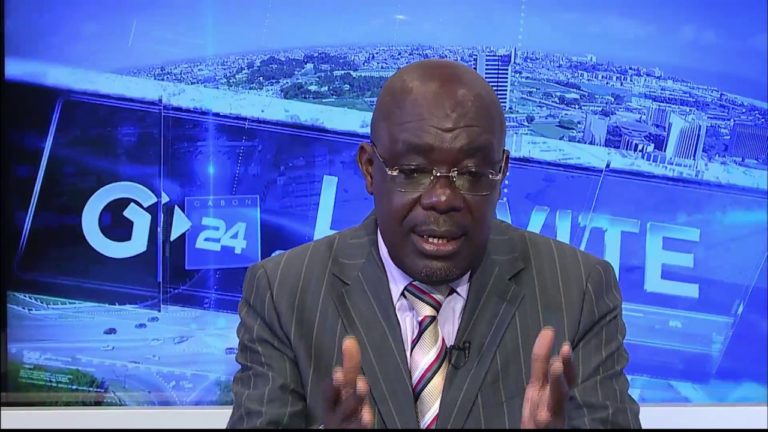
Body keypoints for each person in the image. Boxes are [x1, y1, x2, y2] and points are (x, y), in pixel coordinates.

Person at [227, 59, 641, 429]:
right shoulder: (284, 292)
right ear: (369, 170)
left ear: (501, 173)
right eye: (412, 170)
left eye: (473, 173)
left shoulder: (578, 290)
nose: (442, 198)